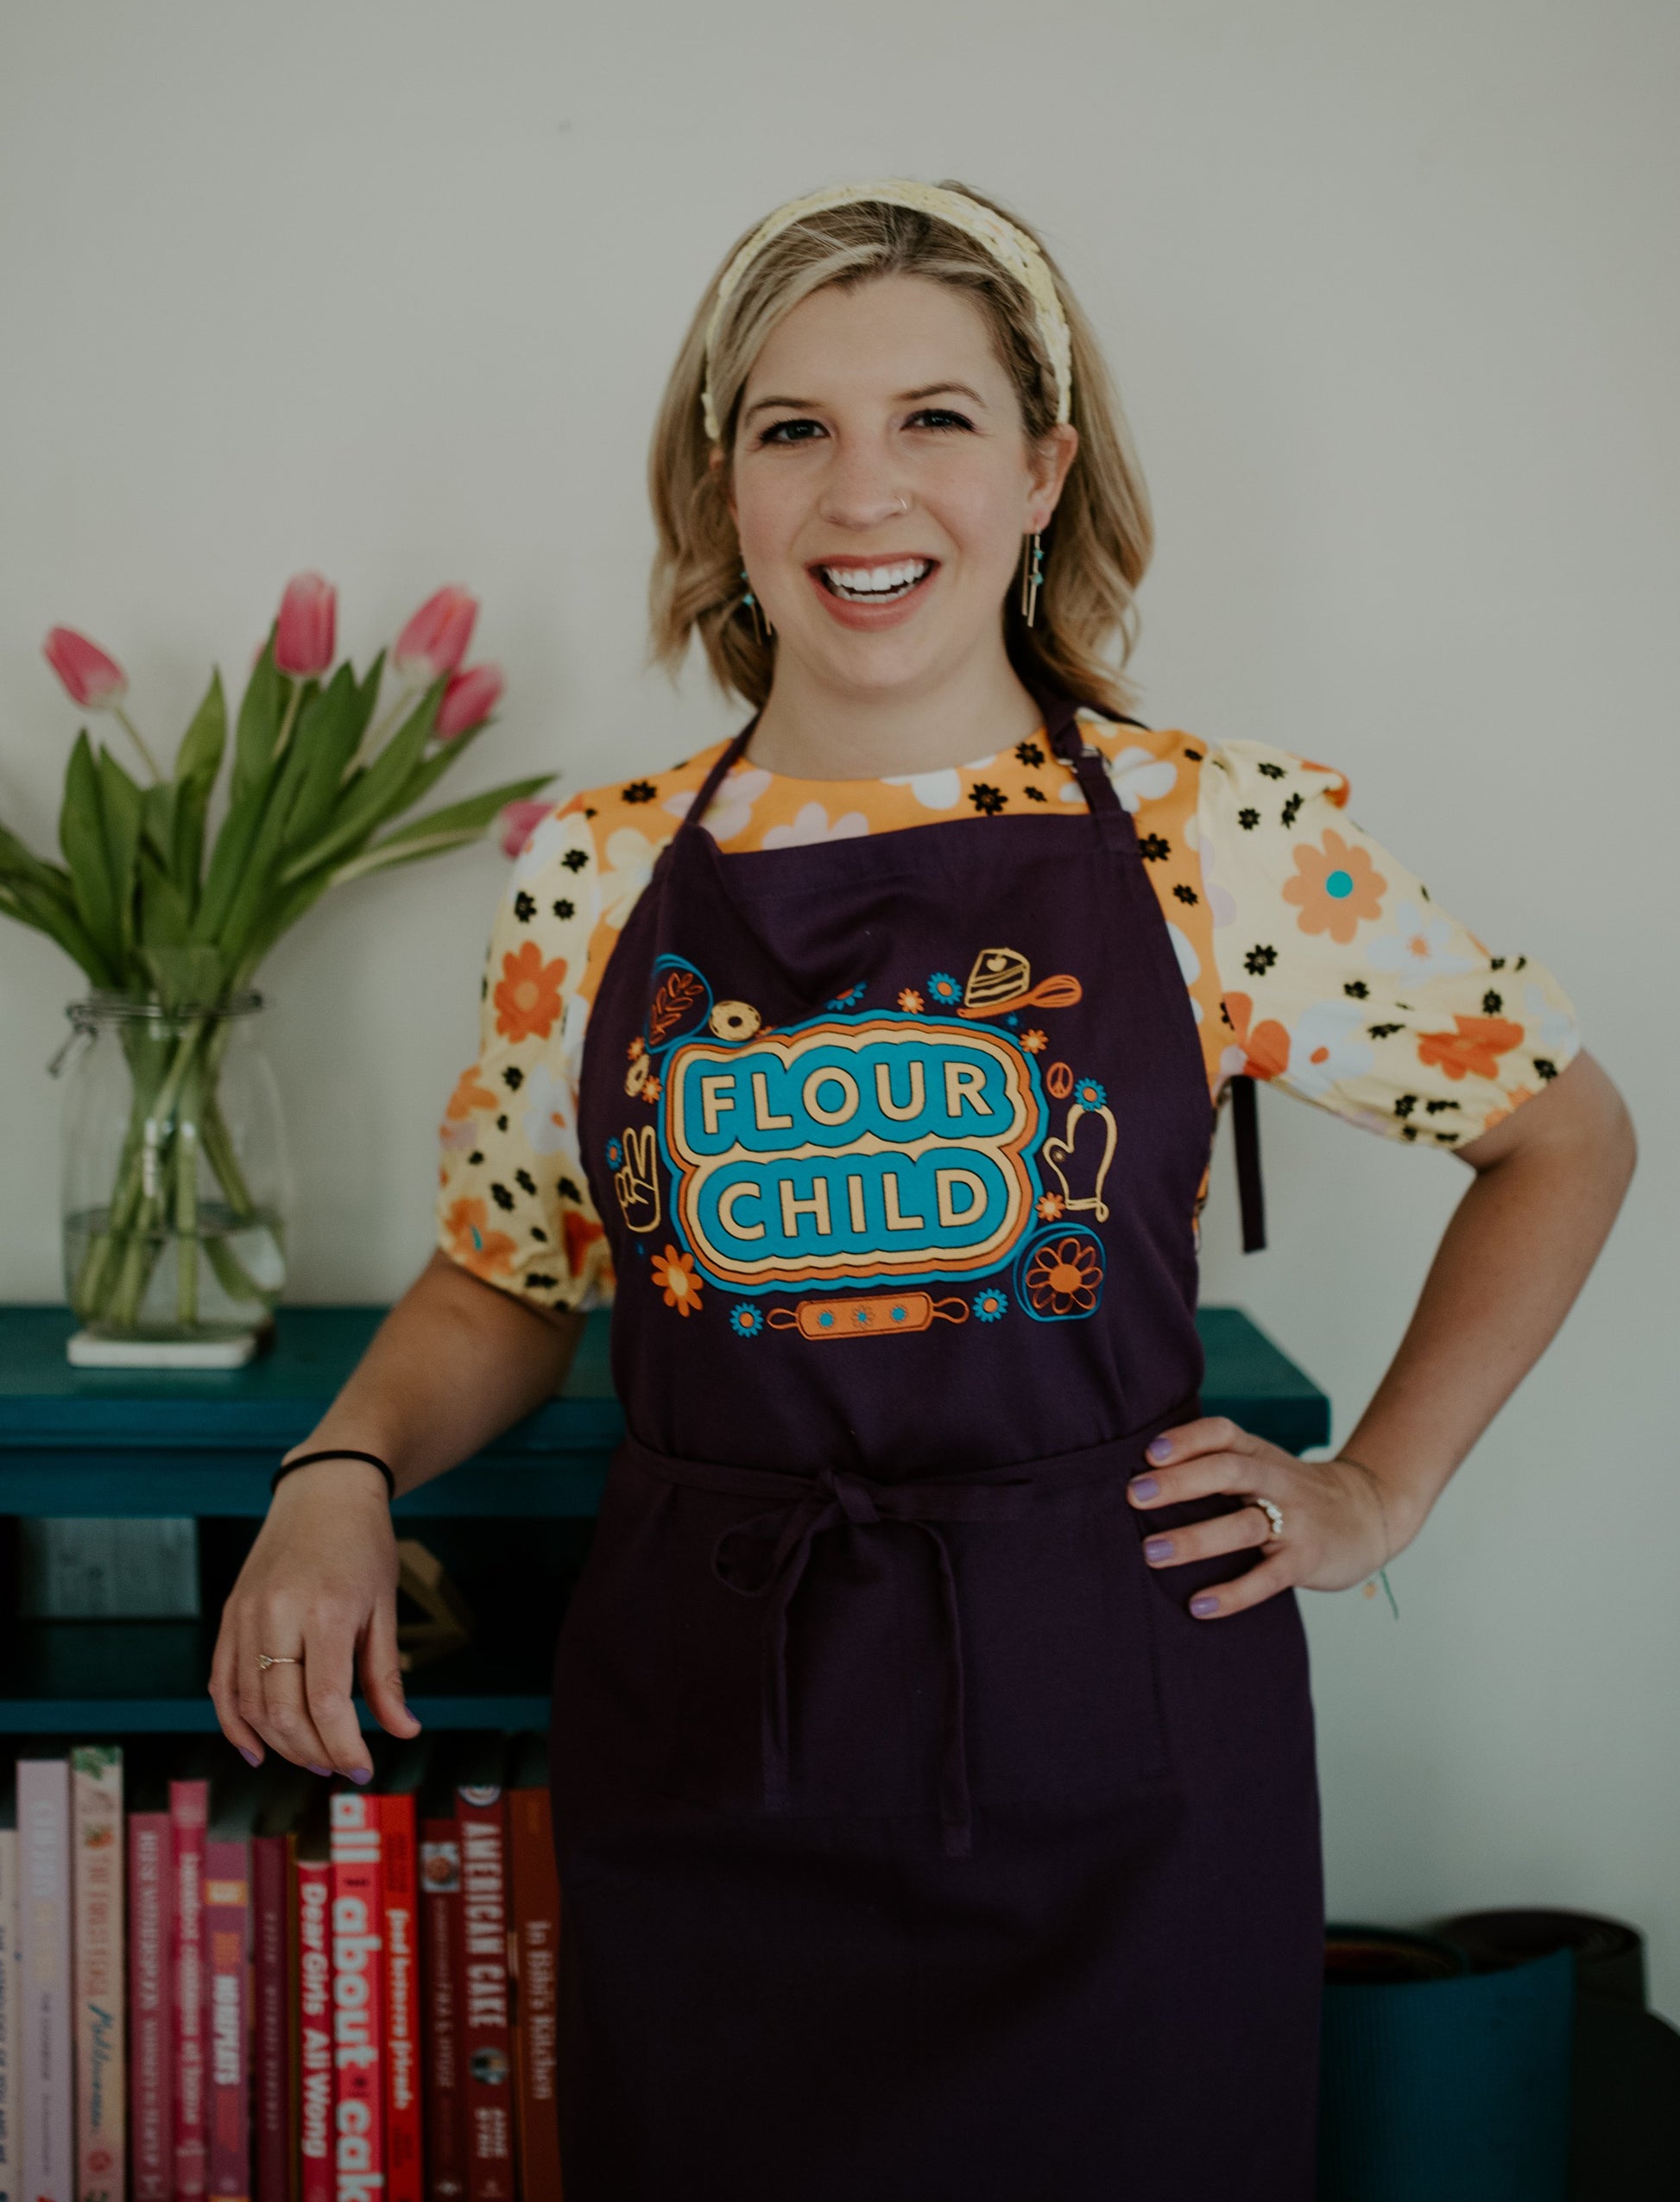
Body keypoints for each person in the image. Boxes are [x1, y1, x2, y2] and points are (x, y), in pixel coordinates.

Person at [212, 180, 1634, 2200]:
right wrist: (335, 1472)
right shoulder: (592, 873)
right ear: (721, 491)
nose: (862, 488)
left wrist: (1376, 1487)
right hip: (709, 1737)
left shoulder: (1205, 836)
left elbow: (1560, 1132)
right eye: (792, 427)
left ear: (1044, 469)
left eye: (935, 419)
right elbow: (511, 1277)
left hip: (1119, 1739)